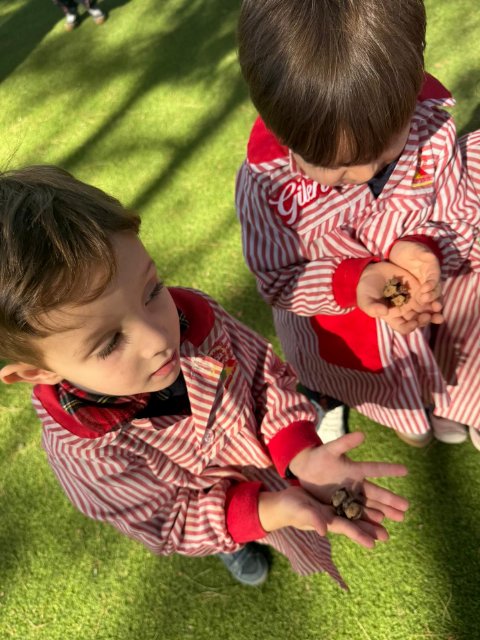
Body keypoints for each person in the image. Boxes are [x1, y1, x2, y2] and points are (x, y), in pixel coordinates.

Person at [0, 166, 410, 588]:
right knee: (228, 529)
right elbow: (170, 519)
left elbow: (263, 377)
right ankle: (230, 543)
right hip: (209, 505)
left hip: (269, 457)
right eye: (109, 343)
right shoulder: (87, 454)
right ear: (37, 371)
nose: (159, 339)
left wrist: (299, 452)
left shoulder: (196, 321)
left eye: (151, 291)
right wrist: (268, 512)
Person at [235, 0, 480, 448]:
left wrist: (422, 244)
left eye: (384, 152)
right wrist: (353, 280)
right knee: (372, 386)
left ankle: (443, 400)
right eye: (337, 166)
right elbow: (280, 279)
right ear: (281, 133)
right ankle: (359, 405)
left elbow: (456, 210)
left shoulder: (431, 128)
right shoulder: (269, 187)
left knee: (437, 347)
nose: (365, 173)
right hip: (342, 326)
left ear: (412, 86)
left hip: (425, 314)